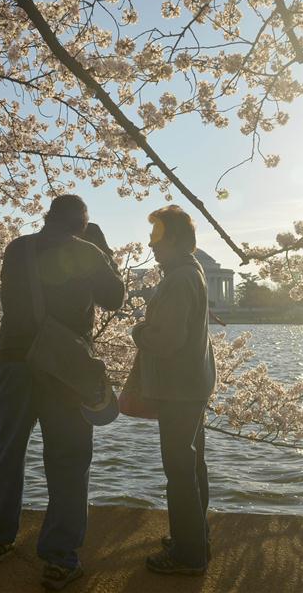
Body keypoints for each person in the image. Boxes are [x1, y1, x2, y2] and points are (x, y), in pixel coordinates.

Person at [0, 195, 125, 590]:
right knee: (68, 458)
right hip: (62, 369)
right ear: (82, 224)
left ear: (47, 217)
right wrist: (103, 251)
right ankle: (59, 559)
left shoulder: (17, 249)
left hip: (14, 362)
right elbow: (115, 298)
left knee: (8, 449)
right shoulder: (88, 253)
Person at [127, 204, 217, 576]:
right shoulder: (188, 273)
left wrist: (139, 332)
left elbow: (168, 340)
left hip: (180, 388)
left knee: (179, 468)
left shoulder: (179, 278)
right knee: (192, 465)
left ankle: (188, 555)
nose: (152, 246)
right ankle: (194, 537)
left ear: (177, 240)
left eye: (157, 238)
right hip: (192, 382)